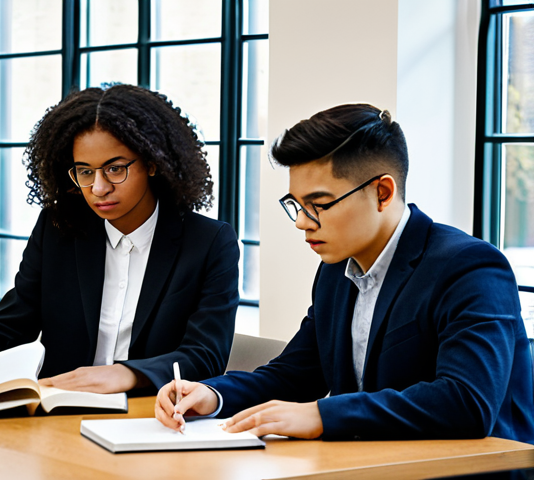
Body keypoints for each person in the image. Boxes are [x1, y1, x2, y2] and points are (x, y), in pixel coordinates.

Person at [155, 104, 534, 443]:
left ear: (383, 192)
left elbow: (466, 402)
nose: (302, 222)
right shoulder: (335, 271)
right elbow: (297, 373)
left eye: (319, 204)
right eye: (295, 205)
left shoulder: (470, 268)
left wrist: (322, 415)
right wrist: (211, 394)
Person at [0, 84, 240, 394]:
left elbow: (205, 355)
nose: (99, 188)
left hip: (153, 416)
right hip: (59, 412)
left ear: (153, 163)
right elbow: (12, 327)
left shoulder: (209, 243)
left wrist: (128, 374)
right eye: (85, 171)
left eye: (115, 168)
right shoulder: (59, 228)